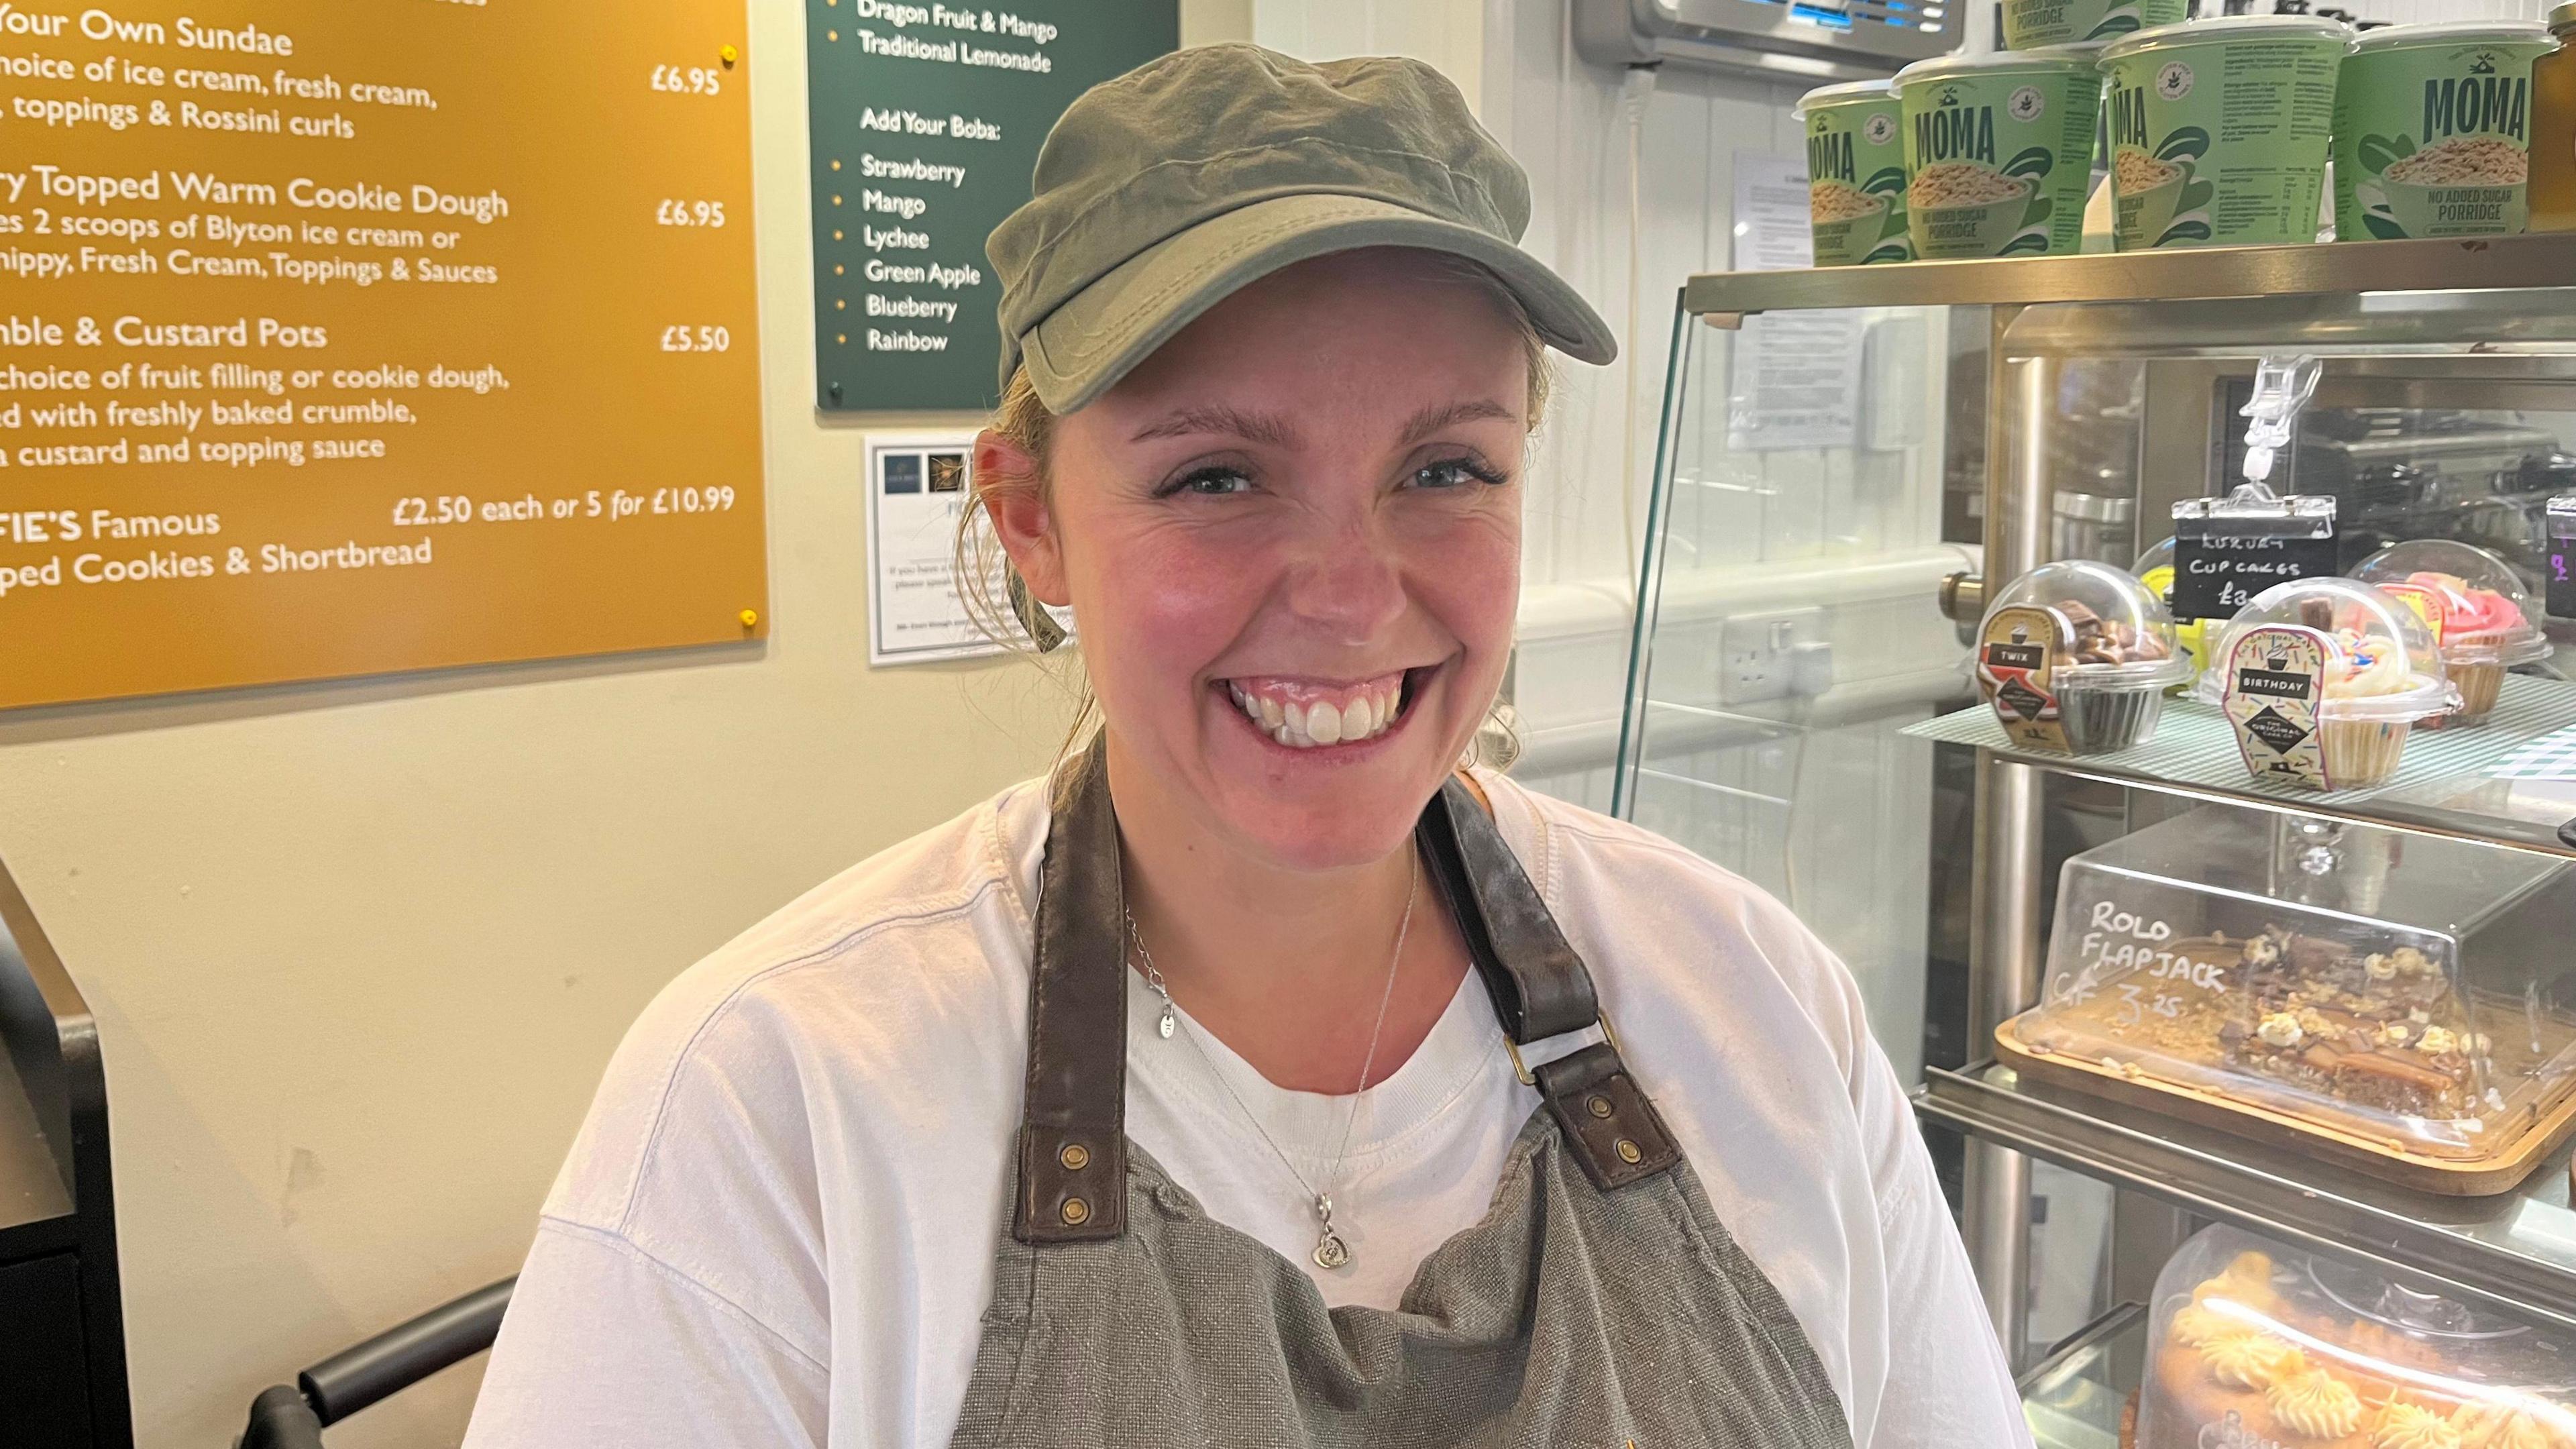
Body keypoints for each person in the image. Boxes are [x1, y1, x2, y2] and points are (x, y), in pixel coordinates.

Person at [465, 44, 2031, 1449]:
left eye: (1447, 466)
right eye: (1216, 478)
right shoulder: (781, 1106)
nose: (1353, 603)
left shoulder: (1750, 1006)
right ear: (1033, 520)